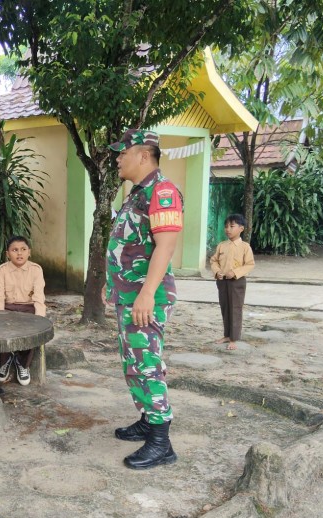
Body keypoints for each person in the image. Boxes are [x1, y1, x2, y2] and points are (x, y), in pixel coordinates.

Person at [104, 129, 183, 470]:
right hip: (130, 295)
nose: (118, 158)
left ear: (143, 155)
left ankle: (161, 442)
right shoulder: (138, 192)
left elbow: (165, 246)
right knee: (133, 363)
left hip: (145, 297)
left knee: (147, 365)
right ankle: (148, 420)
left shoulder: (162, 191)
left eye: (123, 152)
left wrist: (147, 294)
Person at [0, 236, 45, 386]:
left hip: (28, 308)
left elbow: (39, 297)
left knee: (30, 331)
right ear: (7, 254)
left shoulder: (36, 270)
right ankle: (5, 360)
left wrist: (39, 319)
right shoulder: (2, 270)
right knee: (3, 329)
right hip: (7, 309)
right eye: (14, 250)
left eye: (23, 249)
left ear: (29, 252)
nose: (19, 253)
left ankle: (23, 364)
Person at [210, 214, 255, 350]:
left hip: (237, 282)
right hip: (222, 281)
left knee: (235, 308)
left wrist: (235, 273)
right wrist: (217, 272)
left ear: (241, 228)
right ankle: (227, 335)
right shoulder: (222, 246)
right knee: (225, 307)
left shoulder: (245, 247)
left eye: (231, 226)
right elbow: (213, 261)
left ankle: (234, 338)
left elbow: (249, 264)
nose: (228, 229)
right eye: (226, 227)